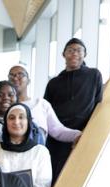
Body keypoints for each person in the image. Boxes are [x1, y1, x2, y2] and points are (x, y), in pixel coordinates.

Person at [43, 38, 104, 176]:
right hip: (57, 137)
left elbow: (98, 104)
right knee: (56, 174)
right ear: (63, 54)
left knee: (80, 173)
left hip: (84, 133)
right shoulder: (54, 83)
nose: (74, 53)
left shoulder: (94, 75)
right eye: (70, 50)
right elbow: (46, 111)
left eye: (78, 50)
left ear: (85, 54)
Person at [7, 64, 82, 149]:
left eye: (20, 74)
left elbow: (58, 130)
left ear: (28, 80)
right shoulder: (6, 107)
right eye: (12, 75)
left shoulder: (41, 104)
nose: (15, 78)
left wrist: (77, 135)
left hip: (38, 157)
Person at [0, 104, 53, 187]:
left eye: (21, 117)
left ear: (28, 122)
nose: (16, 121)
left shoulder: (40, 152)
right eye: (11, 118)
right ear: (6, 123)